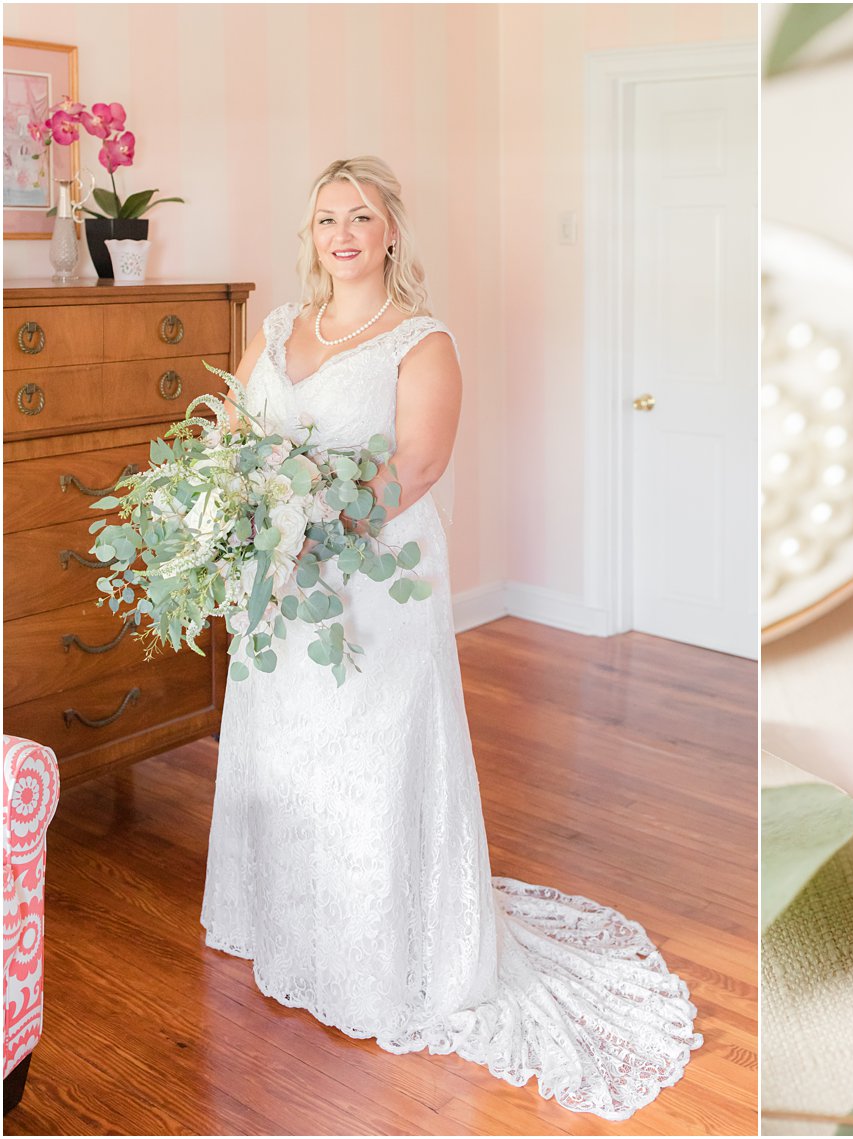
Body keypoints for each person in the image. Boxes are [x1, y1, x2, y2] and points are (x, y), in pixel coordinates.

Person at [201, 156, 699, 1120]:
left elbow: (418, 465)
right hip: (281, 588)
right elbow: (234, 431)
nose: (342, 233)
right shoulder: (275, 330)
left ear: (392, 232)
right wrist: (235, 509)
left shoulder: (421, 343)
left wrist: (311, 526)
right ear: (309, 237)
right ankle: (287, 922)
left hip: (370, 586)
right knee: (287, 747)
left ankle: (382, 948)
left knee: (367, 751)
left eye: (361, 216)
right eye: (325, 218)